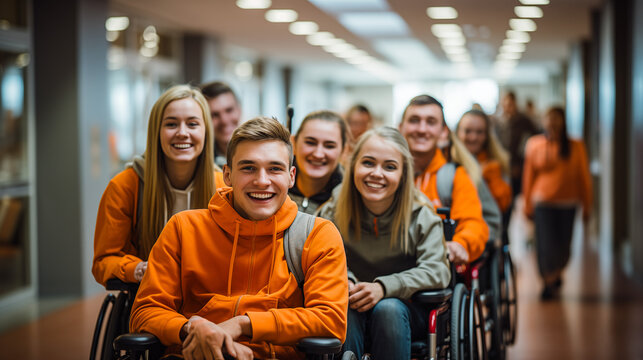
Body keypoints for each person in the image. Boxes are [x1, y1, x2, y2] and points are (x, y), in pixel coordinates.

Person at [129, 117, 348, 359]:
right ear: (227, 175)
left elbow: (330, 320)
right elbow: (145, 311)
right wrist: (192, 328)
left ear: (291, 176)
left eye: (275, 168)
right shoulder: (183, 228)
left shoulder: (317, 234)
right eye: (248, 168)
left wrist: (243, 324)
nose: (262, 181)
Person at [318, 127, 450, 360]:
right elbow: (317, 257)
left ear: (402, 174)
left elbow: (437, 270)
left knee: (387, 308)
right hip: (351, 304)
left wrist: (384, 287)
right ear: (353, 166)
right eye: (368, 163)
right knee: (345, 306)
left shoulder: (421, 214)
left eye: (389, 167)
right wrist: (345, 279)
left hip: (404, 311)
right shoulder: (333, 209)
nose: (376, 173)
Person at [92, 85, 223, 286]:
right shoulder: (125, 186)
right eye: (171, 124)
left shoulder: (223, 187)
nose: (182, 133)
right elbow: (103, 262)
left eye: (192, 124)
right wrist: (136, 269)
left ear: (206, 131)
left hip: (211, 299)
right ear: (156, 132)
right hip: (150, 297)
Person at [399, 95, 488, 265]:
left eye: (431, 122)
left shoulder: (455, 176)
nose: (422, 129)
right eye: (414, 120)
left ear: (443, 131)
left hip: (438, 267)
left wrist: (460, 244)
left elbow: (473, 223)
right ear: (400, 127)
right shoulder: (385, 173)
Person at [522, 106, 592, 300]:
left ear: (563, 122)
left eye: (557, 118)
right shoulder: (535, 144)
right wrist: (527, 204)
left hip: (568, 204)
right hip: (542, 202)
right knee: (545, 245)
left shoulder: (576, 146)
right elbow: (528, 177)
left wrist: (587, 205)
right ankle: (548, 280)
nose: (552, 122)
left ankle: (556, 273)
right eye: (549, 118)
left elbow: (584, 177)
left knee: (563, 247)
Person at [289, 110, 348, 214]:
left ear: (344, 150)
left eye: (329, 146)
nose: (318, 154)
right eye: (310, 142)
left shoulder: (351, 200)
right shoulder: (271, 188)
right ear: (293, 143)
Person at [456, 109, 512, 213]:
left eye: (479, 132)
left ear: (487, 135)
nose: (473, 137)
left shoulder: (496, 164)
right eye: (467, 131)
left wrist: (492, 178)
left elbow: (504, 205)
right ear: (458, 132)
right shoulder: (448, 161)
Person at [495, 91, 539, 197]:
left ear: (515, 103)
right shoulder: (498, 122)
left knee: (518, 194)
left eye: (510, 104)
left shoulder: (524, 121)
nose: (507, 107)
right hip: (502, 165)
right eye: (504, 104)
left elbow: (530, 142)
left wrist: (518, 163)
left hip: (519, 166)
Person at [200, 81, 242, 168]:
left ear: (239, 109)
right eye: (214, 115)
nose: (224, 121)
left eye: (229, 110)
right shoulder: (200, 162)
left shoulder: (260, 151)